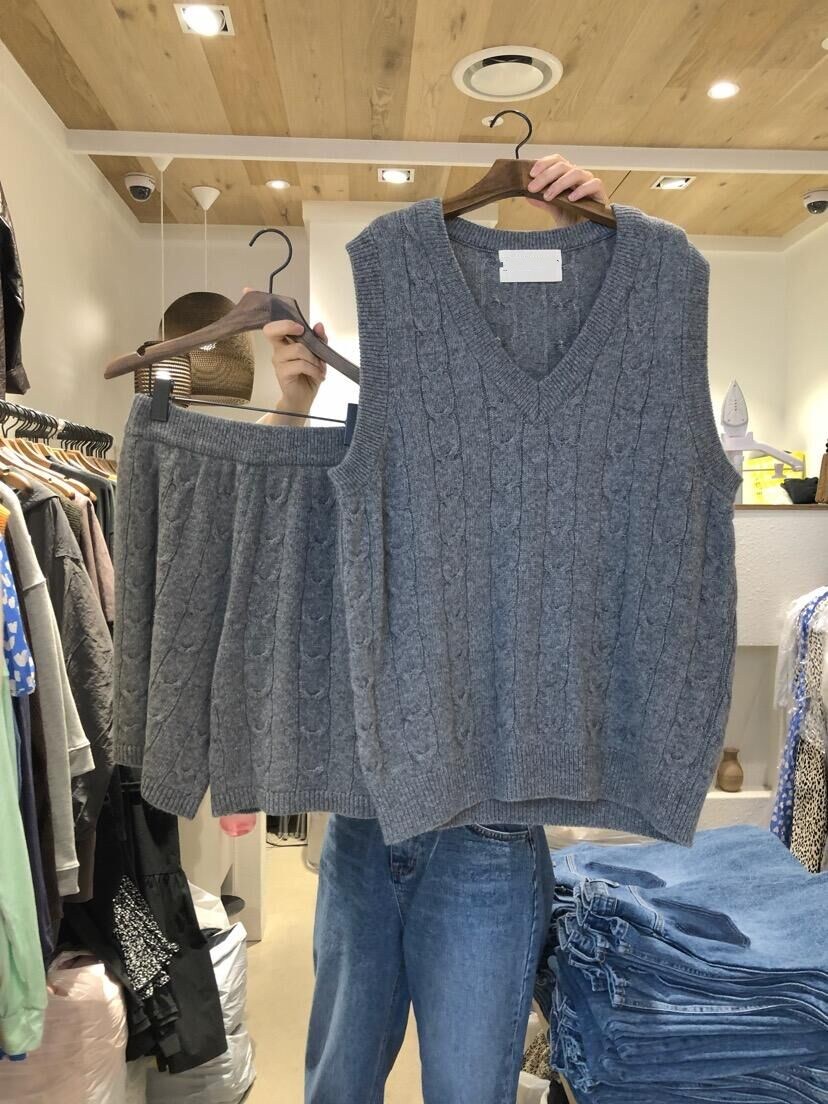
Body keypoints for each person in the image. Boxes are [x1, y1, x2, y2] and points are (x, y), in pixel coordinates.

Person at [261, 156, 609, 1104]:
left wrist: (601, 247)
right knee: (338, 1084)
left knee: (467, 1089)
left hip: (489, 830)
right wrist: (294, 406)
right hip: (364, 815)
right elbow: (288, 565)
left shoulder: (559, 434)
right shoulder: (378, 442)